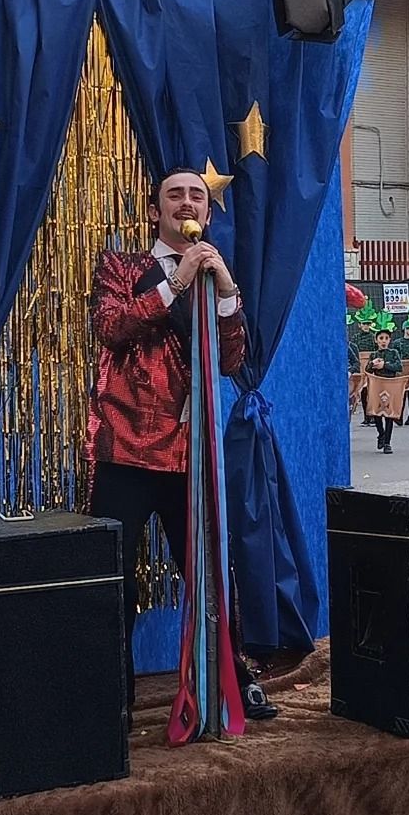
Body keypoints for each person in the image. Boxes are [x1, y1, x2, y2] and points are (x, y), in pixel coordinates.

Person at [87, 166, 274, 724]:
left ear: (207, 213)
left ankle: (234, 680)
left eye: (197, 195)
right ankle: (108, 694)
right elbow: (112, 328)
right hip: (124, 450)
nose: (186, 202)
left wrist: (226, 293)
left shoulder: (216, 274)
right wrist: (176, 280)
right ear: (155, 211)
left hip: (189, 453)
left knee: (212, 572)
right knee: (111, 577)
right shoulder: (122, 266)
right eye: (175, 194)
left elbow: (233, 360)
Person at [365, 319, 402, 454]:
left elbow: (399, 367)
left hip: (390, 385)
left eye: (386, 338)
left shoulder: (393, 353)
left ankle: (387, 442)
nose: (384, 341)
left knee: (389, 414)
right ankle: (381, 433)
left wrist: (384, 365)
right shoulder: (374, 355)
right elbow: (367, 371)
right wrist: (372, 364)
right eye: (381, 338)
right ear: (376, 340)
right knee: (377, 413)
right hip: (377, 386)